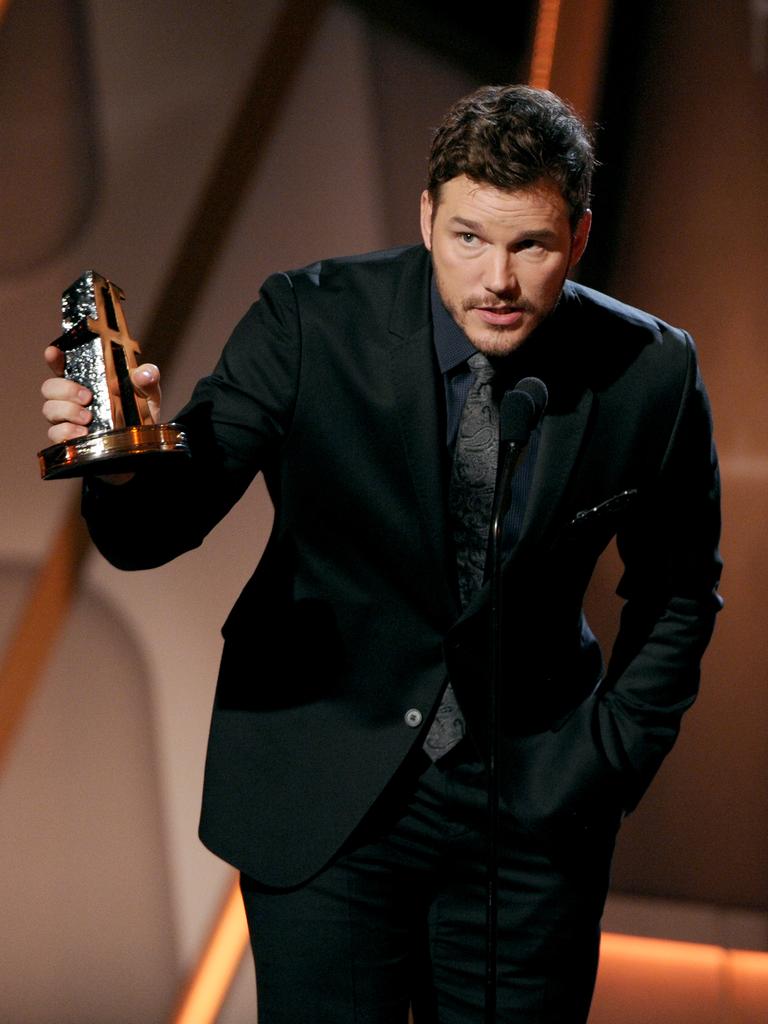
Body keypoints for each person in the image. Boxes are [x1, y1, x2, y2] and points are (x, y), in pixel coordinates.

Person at [41, 85, 722, 1023]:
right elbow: (165, 519)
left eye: (532, 246)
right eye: (470, 238)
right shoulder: (308, 320)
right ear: (426, 216)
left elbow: (680, 588)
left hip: (529, 816)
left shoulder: (652, 369)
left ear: (580, 238)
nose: (498, 280)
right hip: (328, 793)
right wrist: (120, 467)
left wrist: (601, 764)